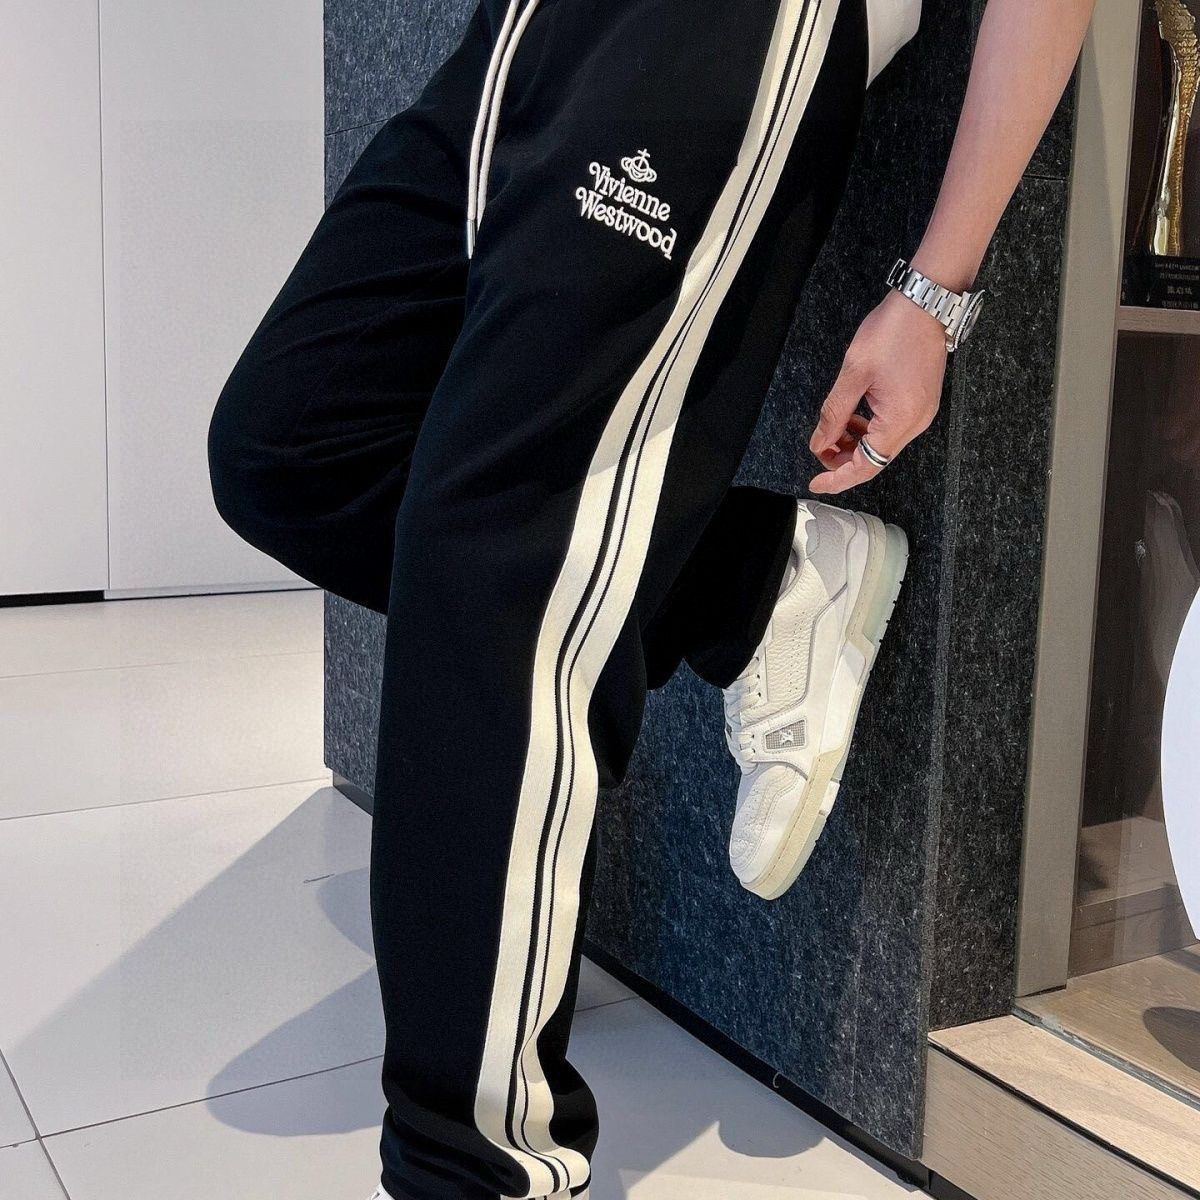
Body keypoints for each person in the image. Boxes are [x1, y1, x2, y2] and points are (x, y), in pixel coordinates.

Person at [206, 0, 1096, 1195]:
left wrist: (937, 289)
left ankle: (479, 1168)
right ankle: (749, 580)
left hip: (723, 32)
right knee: (290, 447)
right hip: (521, 34)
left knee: (509, 560)